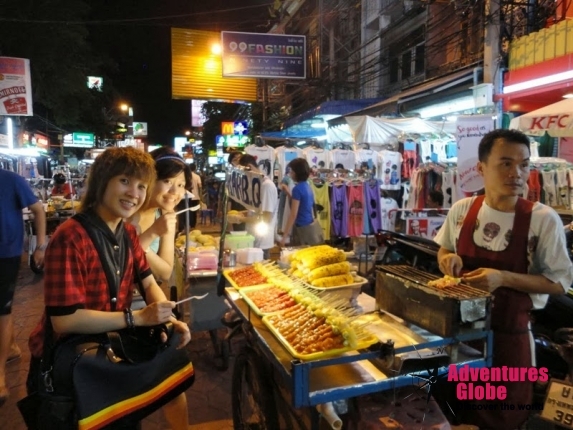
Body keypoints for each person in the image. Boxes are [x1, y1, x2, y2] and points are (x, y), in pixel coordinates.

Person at [27, 147, 191, 429]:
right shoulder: (70, 236)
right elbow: (64, 319)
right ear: (103, 180)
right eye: (125, 181)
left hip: (107, 351)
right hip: (68, 366)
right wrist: (138, 318)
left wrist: (168, 316)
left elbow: (149, 281)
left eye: (141, 186)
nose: (134, 193)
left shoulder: (127, 232)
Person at [434, 129, 573, 430]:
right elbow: (444, 248)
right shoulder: (462, 210)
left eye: (524, 165)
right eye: (506, 163)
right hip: (462, 337)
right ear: (482, 167)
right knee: (460, 413)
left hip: (510, 340)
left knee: (504, 417)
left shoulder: (542, 219)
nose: (517, 173)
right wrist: (447, 260)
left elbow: (559, 282)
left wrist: (503, 278)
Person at [0, 169, 46, 406]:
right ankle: (11, 347)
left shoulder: (11, 180)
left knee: (2, 311)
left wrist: (40, 246)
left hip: (5, 254)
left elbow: (38, 210)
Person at [128, 147, 190, 285]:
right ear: (149, 179)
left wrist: (144, 244)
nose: (175, 191)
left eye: (181, 185)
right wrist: (151, 233)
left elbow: (165, 273)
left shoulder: (165, 215)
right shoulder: (125, 210)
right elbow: (119, 264)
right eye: (167, 181)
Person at [237, 154, 278, 259]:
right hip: (253, 238)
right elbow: (257, 210)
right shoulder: (257, 185)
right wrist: (242, 213)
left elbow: (266, 218)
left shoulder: (266, 186)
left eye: (244, 173)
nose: (243, 176)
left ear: (249, 167)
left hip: (262, 242)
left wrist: (241, 219)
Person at [278, 158, 324, 247]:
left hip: (302, 229)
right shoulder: (307, 186)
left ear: (295, 173)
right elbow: (301, 204)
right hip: (310, 224)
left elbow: (293, 214)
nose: (290, 174)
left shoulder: (297, 189)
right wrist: (288, 191)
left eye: (291, 171)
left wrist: (284, 237)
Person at [227, 151, 246, 231]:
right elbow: (229, 200)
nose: (238, 161)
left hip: (249, 210)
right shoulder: (230, 178)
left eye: (240, 159)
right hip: (236, 210)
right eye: (235, 160)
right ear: (231, 163)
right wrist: (229, 220)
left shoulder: (249, 175)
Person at [188, 163, 202, 228]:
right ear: (195, 169)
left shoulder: (187, 176)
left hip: (188, 196)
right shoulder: (197, 176)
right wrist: (201, 196)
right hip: (196, 196)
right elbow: (200, 187)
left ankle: (189, 224)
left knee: (189, 211)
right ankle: (193, 224)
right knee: (194, 211)